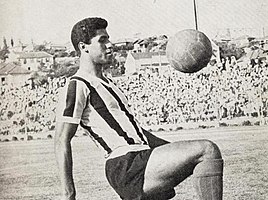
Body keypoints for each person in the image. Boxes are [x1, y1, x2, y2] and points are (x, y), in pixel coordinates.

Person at [55, 17, 224, 200]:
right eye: (102, 40)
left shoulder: (109, 84)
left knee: (198, 154)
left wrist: (172, 150)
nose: (110, 45)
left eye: (108, 39)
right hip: (125, 164)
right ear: (83, 47)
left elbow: (135, 132)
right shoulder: (77, 84)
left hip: (141, 156)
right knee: (207, 150)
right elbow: (61, 140)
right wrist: (68, 193)